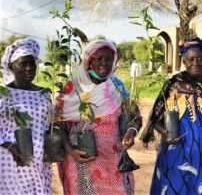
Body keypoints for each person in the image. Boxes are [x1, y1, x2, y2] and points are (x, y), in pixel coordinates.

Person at [141, 37, 202, 195]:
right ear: (183, 61)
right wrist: (164, 132)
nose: (195, 62)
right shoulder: (171, 86)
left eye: (200, 58)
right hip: (172, 162)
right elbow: (155, 120)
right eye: (190, 59)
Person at [56, 39, 142, 195]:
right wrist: (70, 150)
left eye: (108, 59)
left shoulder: (117, 86)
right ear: (89, 60)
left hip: (113, 156)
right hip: (81, 159)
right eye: (98, 58)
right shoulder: (74, 87)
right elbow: (57, 123)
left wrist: (131, 131)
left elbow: (134, 115)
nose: (104, 63)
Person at [0, 38, 52, 194]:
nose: (29, 68)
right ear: (11, 66)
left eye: (32, 63)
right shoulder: (3, 94)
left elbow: (51, 124)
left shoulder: (44, 94)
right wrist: (9, 145)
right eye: (23, 64)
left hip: (40, 160)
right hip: (11, 159)